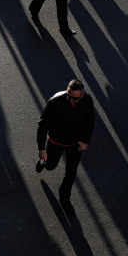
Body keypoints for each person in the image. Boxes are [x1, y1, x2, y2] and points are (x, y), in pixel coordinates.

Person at [36, 79, 95, 215]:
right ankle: (43, 162)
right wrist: (41, 148)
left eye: (75, 98)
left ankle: (64, 199)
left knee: (71, 172)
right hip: (56, 142)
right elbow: (43, 124)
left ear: (82, 95)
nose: (71, 100)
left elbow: (90, 121)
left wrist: (86, 141)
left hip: (75, 144)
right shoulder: (55, 102)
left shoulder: (87, 101)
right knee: (50, 166)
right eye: (68, 96)